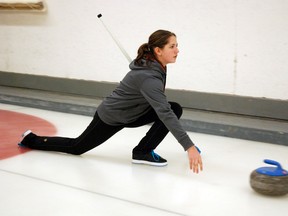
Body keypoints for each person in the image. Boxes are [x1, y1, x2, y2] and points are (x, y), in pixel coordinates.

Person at [19, 30, 203, 173]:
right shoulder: (149, 77)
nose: (177, 50)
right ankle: (31, 139)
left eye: (177, 45)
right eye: (172, 46)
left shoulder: (154, 65)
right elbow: (163, 113)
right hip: (112, 116)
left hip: (135, 112)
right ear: (158, 50)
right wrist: (189, 146)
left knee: (174, 108)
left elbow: (165, 110)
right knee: (76, 147)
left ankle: (142, 152)